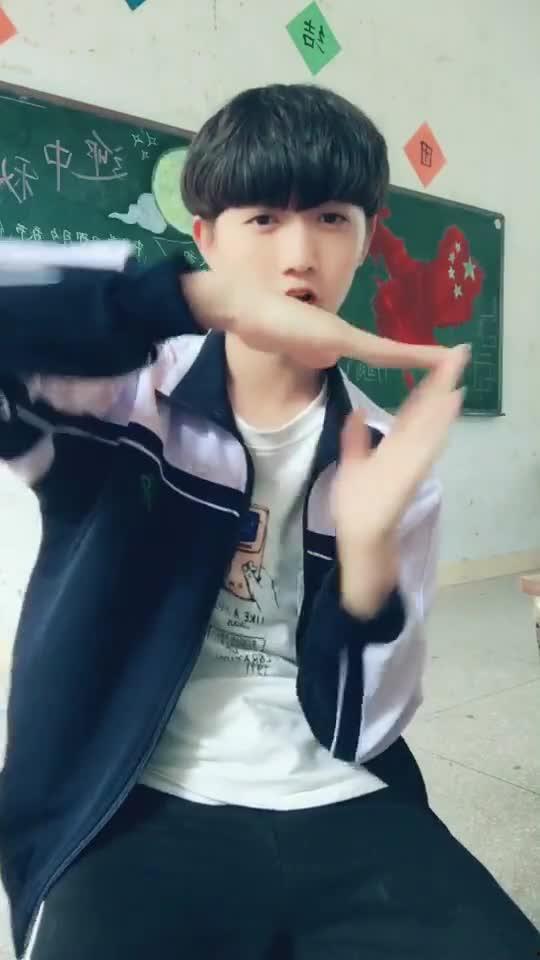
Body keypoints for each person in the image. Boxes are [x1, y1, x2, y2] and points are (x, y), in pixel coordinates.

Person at [0, 83, 536, 960]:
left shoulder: (385, 458)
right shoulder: (123, 402)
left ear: (367, 239)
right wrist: (192, 301)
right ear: (207, 237)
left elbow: (362, 727)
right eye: (261, 219)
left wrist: (368, 563)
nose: (299, 256)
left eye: (330, 219)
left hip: (340, 795)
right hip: (132, 797)